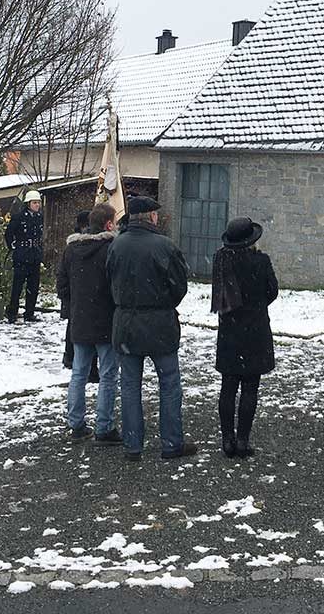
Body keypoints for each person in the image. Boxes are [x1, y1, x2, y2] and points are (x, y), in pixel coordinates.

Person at [107, 196, 197, 460]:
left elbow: (108, 279)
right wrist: (162, 303)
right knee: (169, 384)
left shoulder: (116, 246)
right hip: (159, 323)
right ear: (150, 217)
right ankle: (171, 443)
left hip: (126, 323)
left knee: (130, 385)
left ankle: (133, 445)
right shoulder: (165, 246)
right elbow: (179, 286)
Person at [212, 217, 279, 458]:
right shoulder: (261, 261)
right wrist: (256, 305)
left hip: (229, 329)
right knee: (250, 387)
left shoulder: (221, 260)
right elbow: (273, 291)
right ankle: (242, 440)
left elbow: (218, 292)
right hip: (255, 329)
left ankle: (227, 440)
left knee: (228, 387)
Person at [56, 204, 121, 444]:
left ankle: (76, 424)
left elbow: (61, 283)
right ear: (108, 224)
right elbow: (118, 284)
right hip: (106, 319)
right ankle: (104, 427)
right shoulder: (112, 249)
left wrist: (74, 305)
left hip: (80, 319)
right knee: (108, 375)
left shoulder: (71, 250)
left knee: (78, 373)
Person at [5, 190, 45, 322]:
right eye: (34, 203)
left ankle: (29, 313)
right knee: (17, 286)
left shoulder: (39, 217)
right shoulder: (18, 217)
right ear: (28, 203)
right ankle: (12, 313)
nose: (37, 205)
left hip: (35, 255)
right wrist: (13, 247)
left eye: (38, 203)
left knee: (33, 287)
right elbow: (9, 234)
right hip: (22, 255)